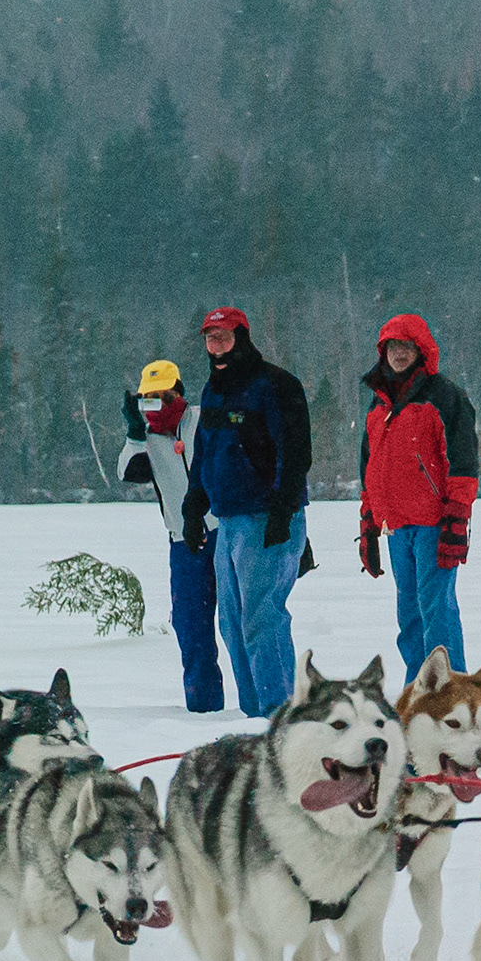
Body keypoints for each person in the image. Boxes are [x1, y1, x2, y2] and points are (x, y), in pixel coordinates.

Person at [180, 307, 312, 718]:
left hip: (268, 517)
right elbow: (204, 453)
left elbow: (297, 453)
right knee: (233, 623)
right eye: (209, 337)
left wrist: (283, 510)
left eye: (223, 336)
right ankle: (256, 714)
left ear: (242, 337)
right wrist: (193, 506)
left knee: (262, 618)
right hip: (229, 518)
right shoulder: (213, 390)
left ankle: (281, 714)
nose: (216, 345)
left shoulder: (276, 385)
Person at [356, 313, 479, 682]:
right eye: (392, 347)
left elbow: (464, 462)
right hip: (396, 525)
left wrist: (457, 517)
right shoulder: (379, 404)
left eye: (406, 347)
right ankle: (417, 685)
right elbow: (370, 468)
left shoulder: (446, 397)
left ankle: (450, 683)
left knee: (436, 608)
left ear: (421, 350)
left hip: (433, 522)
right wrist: (369, 522)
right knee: (408, 611)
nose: (398, 354)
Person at [116, 359, 224, 713]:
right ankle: (203, 708)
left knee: (239, 623)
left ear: (179, 392)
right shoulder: (144, 437)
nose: (157, 406)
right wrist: (134, 433)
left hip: (224, 532)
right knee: (191, 628)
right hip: (183, 543)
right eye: (148, 399)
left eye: (164, 396)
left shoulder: (200, 419)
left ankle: (259, 708)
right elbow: (129, 472)